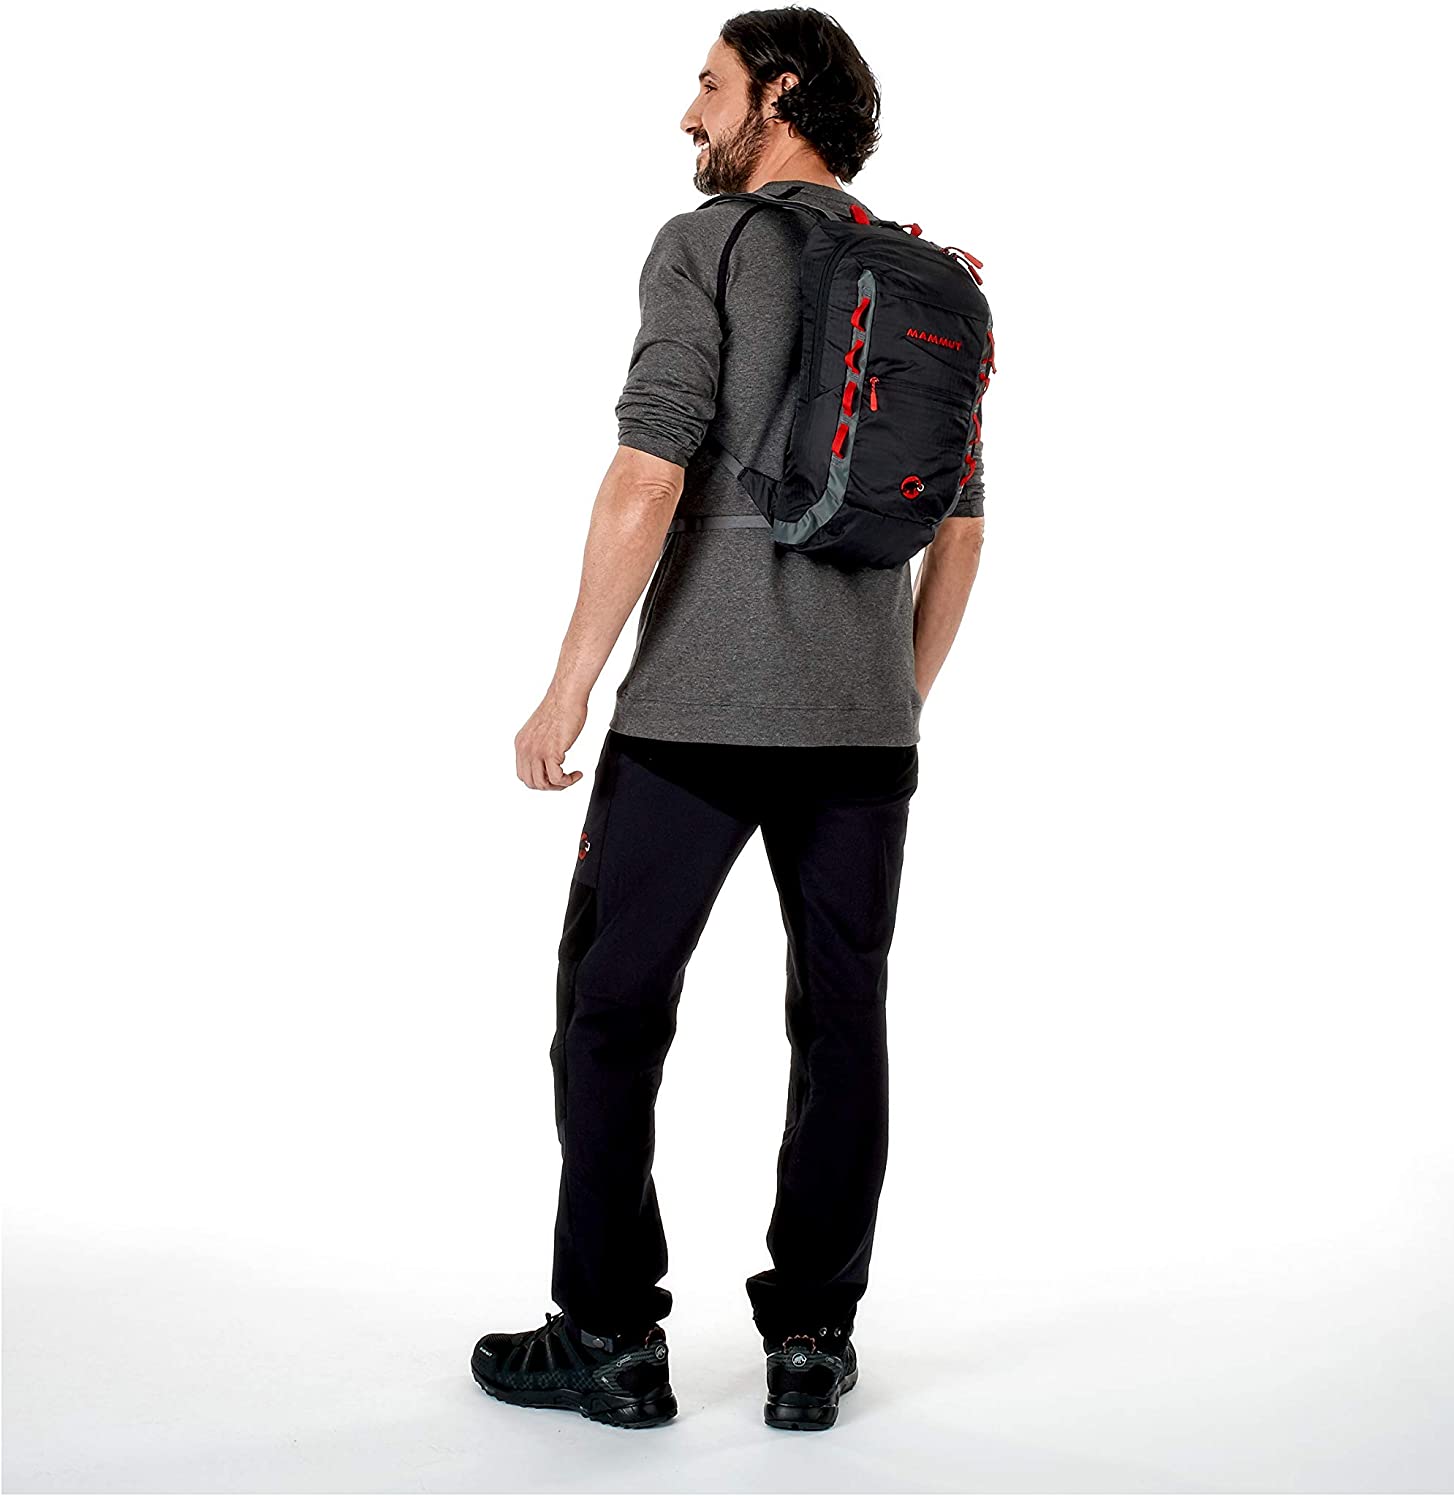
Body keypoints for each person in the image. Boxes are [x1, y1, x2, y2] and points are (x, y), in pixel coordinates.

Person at [471, 6, 986, 1432]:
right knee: (844, 1019)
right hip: (864, 737)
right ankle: (813, 1340)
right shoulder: (934, 278)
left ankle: (607, 1338)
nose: (688, 113)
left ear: (782, 93)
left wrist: (570, 680)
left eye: (709, 85)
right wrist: (893, 696)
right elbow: (962, 528)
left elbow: (649, 472)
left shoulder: (703, 246)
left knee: (611, 1008)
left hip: (694, 715)